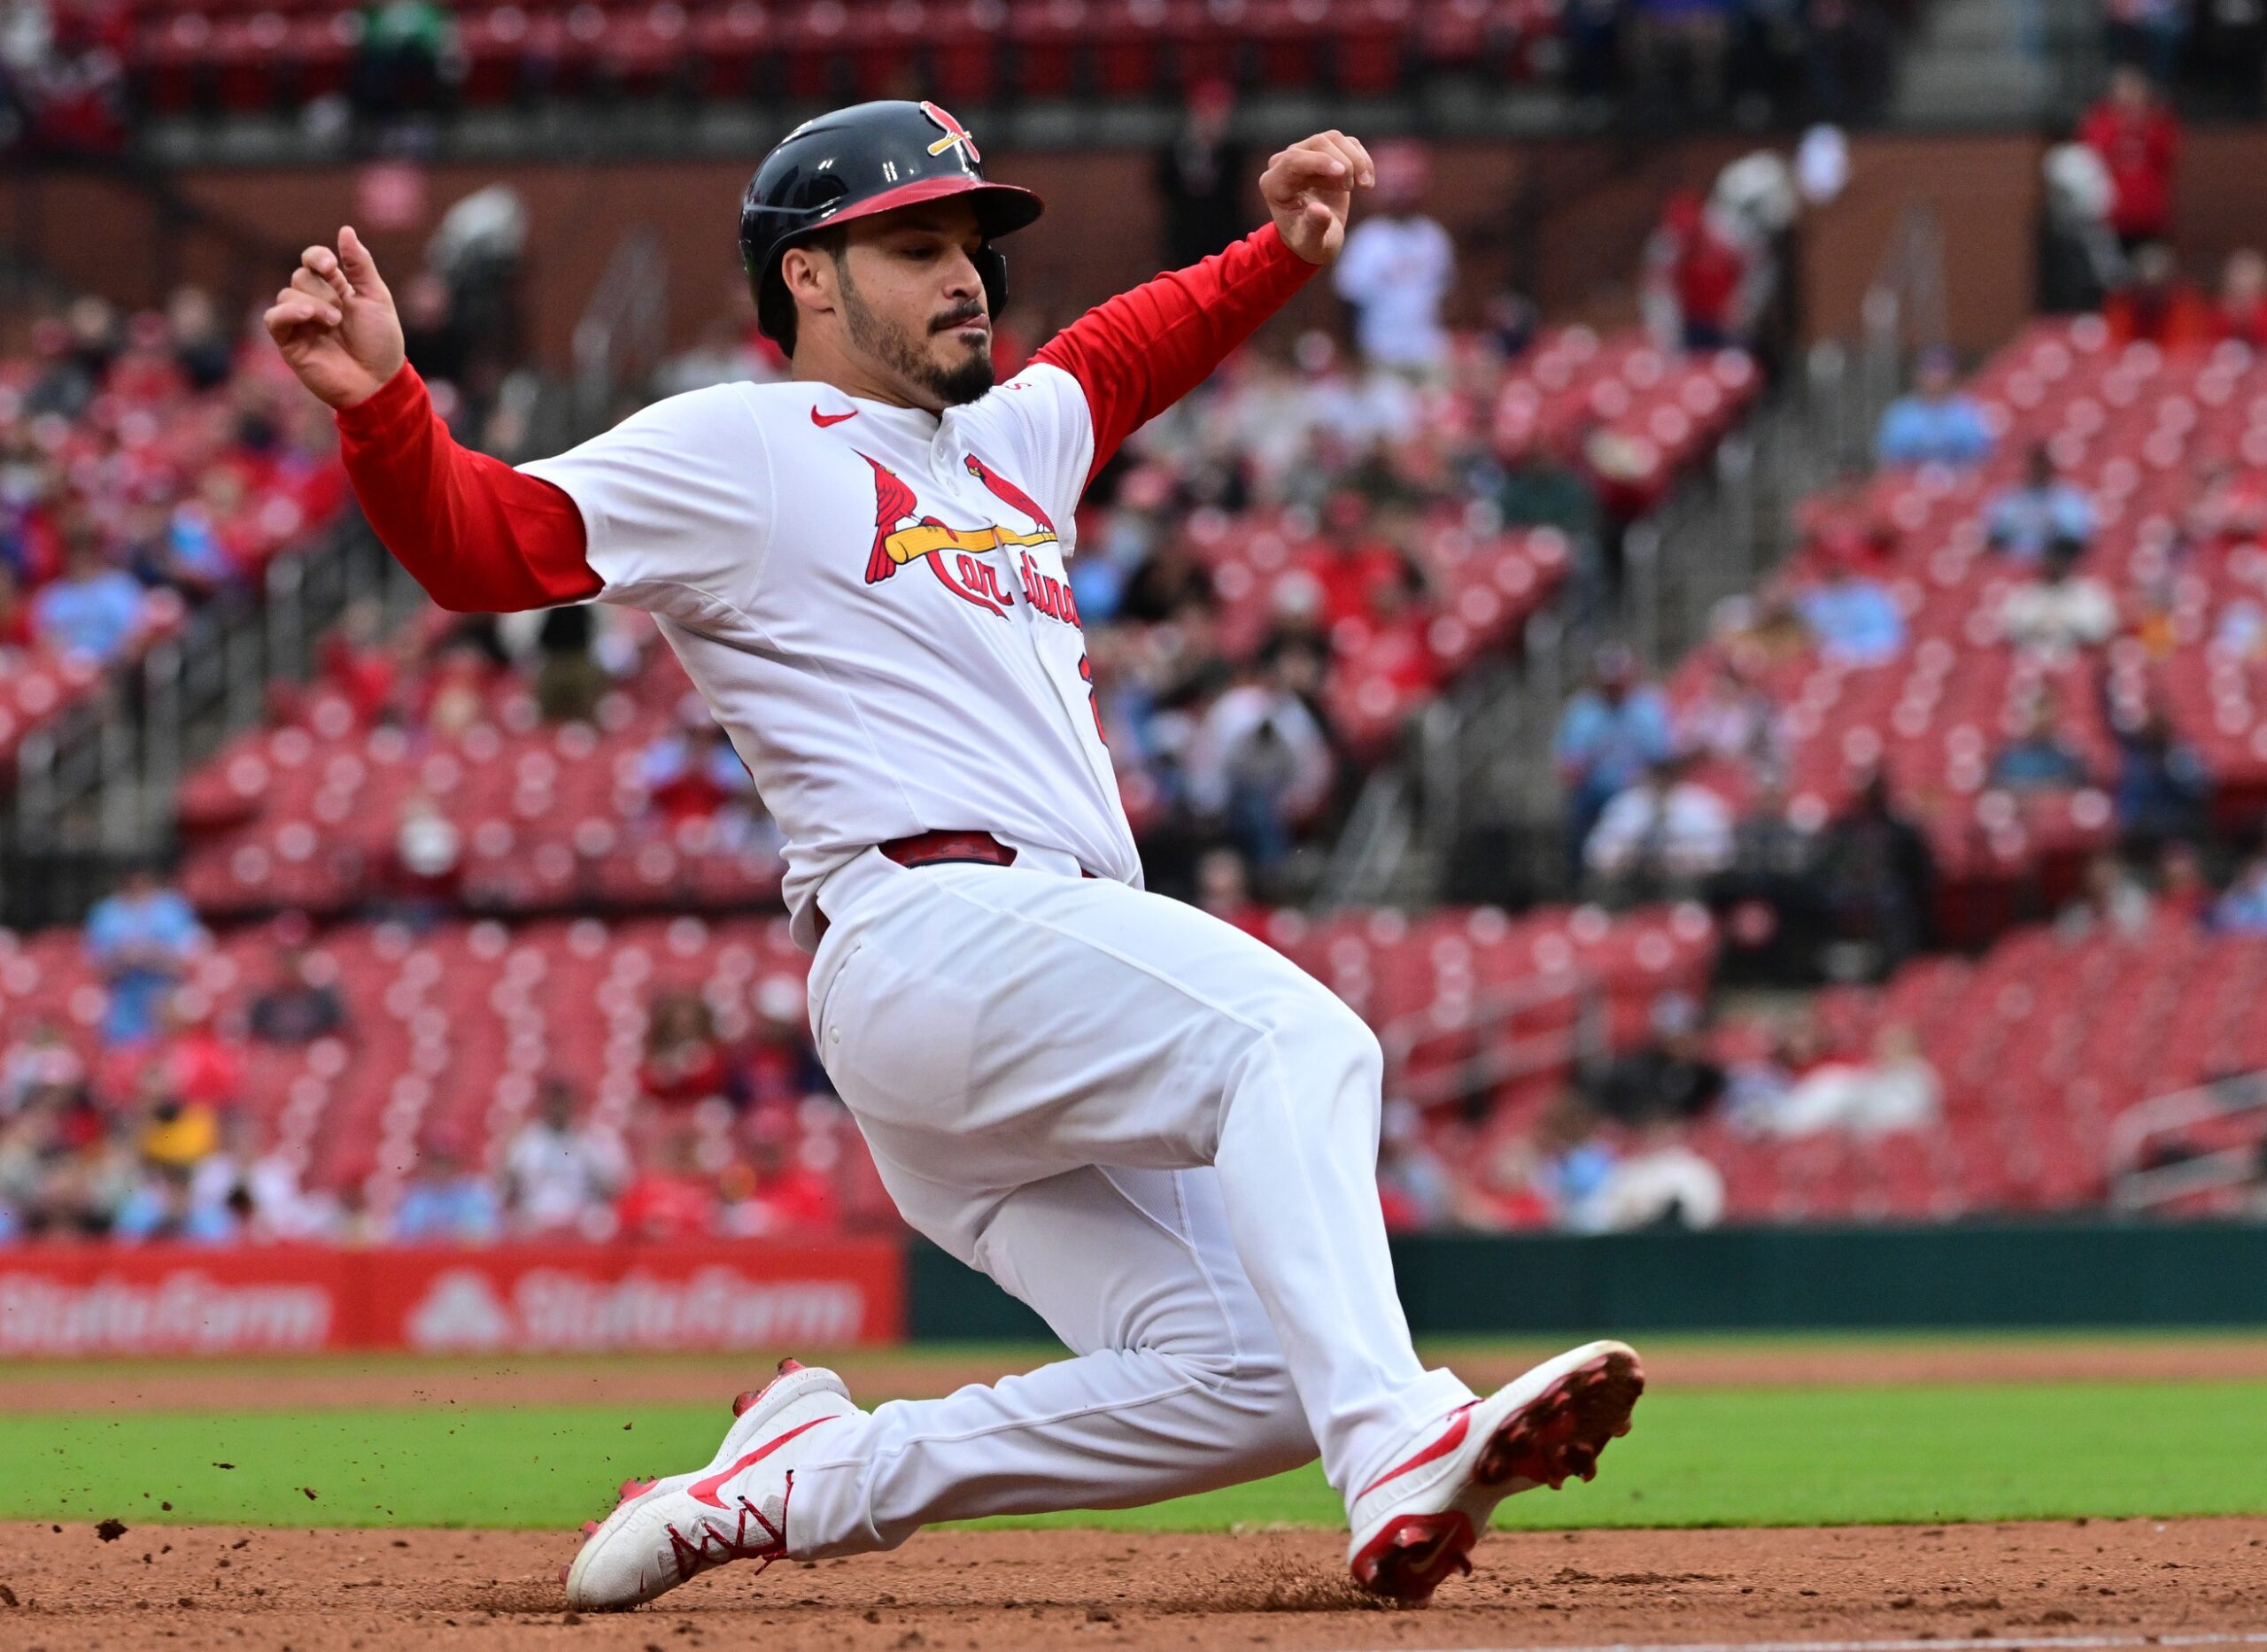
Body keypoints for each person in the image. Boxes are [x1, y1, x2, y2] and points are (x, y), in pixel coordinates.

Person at [266, 102, 1644, 1610]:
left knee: (1253, 1372)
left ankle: (812, 1475)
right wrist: (387, 403)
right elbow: (487, 545)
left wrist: (1281, 252)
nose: (966, 275)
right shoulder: (742, 442)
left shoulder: (1008, 443)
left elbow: (1125, 354)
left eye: (972, 246)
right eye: (917, 245)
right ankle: (1396, 1446)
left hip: (1007, 990)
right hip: (925, 921)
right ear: (805, 276)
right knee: (1298, 1041)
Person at [1329, 141, 1455, 377]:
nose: (1402, 198)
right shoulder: (1367, 239)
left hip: (1427, 349)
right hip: (1380, 351)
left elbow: (1446, 297)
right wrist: (1353, 355)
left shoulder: (1433, 236)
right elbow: (1347, 302)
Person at [1553, 645, 1675, 878]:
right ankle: (1579, 882)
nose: (1614, 689)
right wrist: (1576, 769)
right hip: (1594, 791)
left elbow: (1662, 758)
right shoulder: (1583, 710)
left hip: (1637, 791)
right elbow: (1569, 762)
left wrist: (1645, 778)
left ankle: (1643, 883)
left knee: (1646, 815)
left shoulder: (1647, 707)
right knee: (1577, 818)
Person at [84, 865, 206, 1046]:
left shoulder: (173, 908)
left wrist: (151, 955)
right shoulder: (106, 913)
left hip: (166, 1007)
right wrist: (123, 958)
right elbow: (95, 970)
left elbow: (189, 963)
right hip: (122, 1014)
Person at [503, 1076, 629, 1239]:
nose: (558, 1106)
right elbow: (508, 1186)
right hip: (536, 1214)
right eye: (554, 1100)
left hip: (580, 1214)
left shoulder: (591, 1138)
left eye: (563, 1100)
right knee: (515, 1221)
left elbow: (613, 1186)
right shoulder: (526, 1140)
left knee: (602, 1219)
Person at [2079, 66, 2179, 253]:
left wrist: (2143, 124)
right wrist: (2120, 127)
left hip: (2149, 217)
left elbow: (2168, 153)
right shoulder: (2101, 121)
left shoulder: (2156, 122)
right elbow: (2091, 156)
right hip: (2111, 219)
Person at [1998, 537, 2117, 661]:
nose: (2056, 563)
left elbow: (2099, 631)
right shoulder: (2026, 593)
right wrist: (2041, 623)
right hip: (2033, 660)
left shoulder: (2089, 593)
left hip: (2076, 660)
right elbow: (2011, 628)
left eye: (2062, 558)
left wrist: (2065, 622)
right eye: (2052, 558)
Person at [1876, 346, 1993, 469]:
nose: (1935, 378)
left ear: (1952, 375)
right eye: (1929, 371)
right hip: (1909, 482)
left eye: (1940, 371)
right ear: (1918, 375)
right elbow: (1887, 459)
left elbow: (1981, 458)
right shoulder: (1901, 412)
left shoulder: (1968, 409)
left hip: (1960, 482)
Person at [1985, 444, 2097, 565]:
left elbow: (2075, 541)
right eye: (2034, 465)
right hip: (2015, 566)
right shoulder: (2011, 499)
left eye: (2042, 465)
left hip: (2056, 566)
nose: (2037, 470)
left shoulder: (2068, 499)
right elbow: (1995, 538)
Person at [1798, 553, 1905, 667]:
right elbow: (1805, 628)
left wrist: (1852, 649)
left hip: (1869, 656)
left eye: (1841, 578)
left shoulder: (1870, 598)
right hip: (1829, 655)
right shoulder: (1817, 599)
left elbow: (1887, 638)